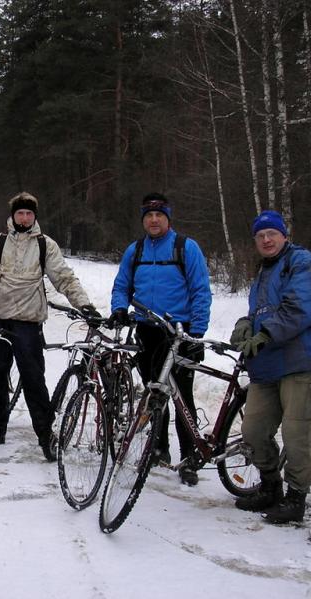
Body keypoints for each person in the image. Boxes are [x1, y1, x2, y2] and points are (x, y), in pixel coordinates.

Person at [0, 192, 100, 462]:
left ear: (34, 216)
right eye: (20, 213)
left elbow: (63, 277)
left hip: (28, 323)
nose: (25, 218)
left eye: (29, 214)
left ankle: (45, 434)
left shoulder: (45, 245)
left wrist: (84, 304)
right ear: (13, 215)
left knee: (33, 379)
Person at [231, 210, 311, 524]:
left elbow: (300, 307)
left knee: (296, 431)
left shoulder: (303, 263)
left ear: (283, 236)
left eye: (271, 234)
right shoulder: (262, 273)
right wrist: (244, 325)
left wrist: (264, 334)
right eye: (260, 236)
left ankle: (296, 497)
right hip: (267, 366)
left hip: (301, 363)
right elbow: (257, 312)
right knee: (254, 430)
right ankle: (270, 486)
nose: (266, 239)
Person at [108, 193, 212, 486]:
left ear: (168, 218)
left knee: (182, 397)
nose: (154, 220)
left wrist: (197, 332)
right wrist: (119, 308)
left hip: (179, 332)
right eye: (149, 216)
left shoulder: (185, 248)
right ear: (143, 220)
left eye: (159, 215)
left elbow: (201, 290)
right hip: (147, 330)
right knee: (155, 393)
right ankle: (159, 448)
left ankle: (191, 456)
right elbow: (122, 285)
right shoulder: (136, 250)